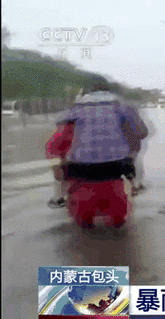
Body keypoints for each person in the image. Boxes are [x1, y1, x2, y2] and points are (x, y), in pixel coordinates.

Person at [48, 78, 148, 228]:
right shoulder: (123, 107)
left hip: (80, 175)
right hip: (116, 171)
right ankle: (136, 183)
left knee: (58, 162)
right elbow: (142, 133)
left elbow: (54, 145)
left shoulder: (75, 111)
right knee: (120, 228)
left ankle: (59, 196)